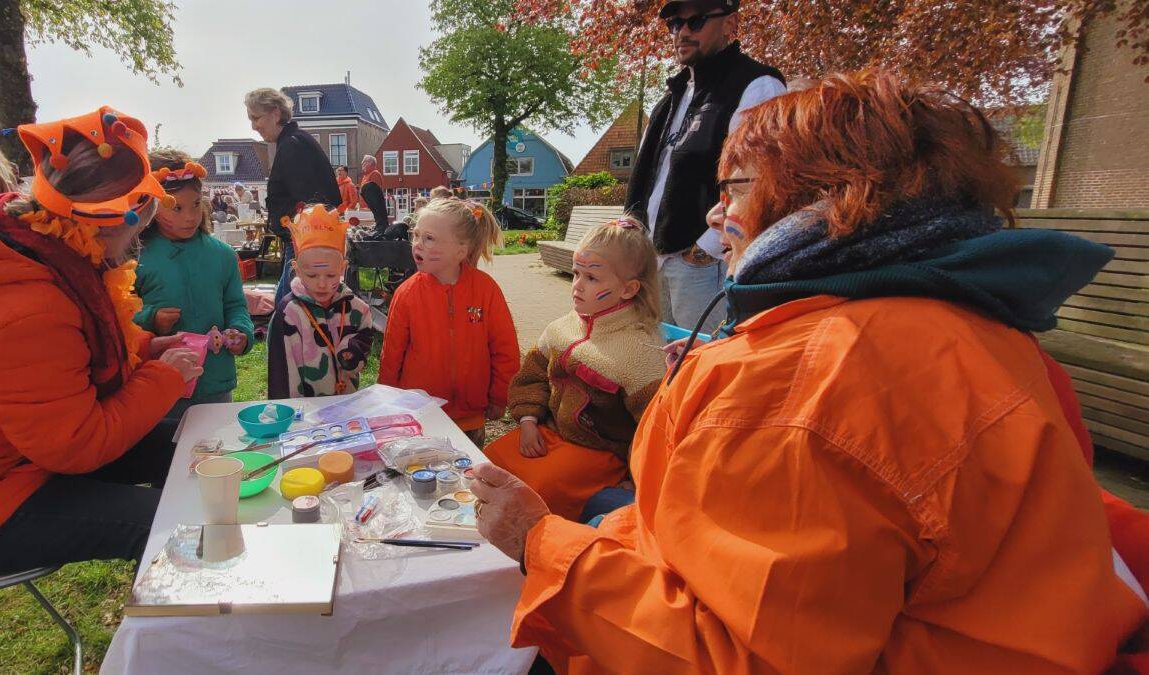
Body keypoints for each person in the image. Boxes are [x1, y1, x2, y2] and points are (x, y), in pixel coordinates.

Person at [471, 72, 1149, 672]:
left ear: (824, 196)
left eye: (733, 188)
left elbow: (734, 653)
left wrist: (541, 541)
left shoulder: (805, 383)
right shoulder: (990, 329)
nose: (714, 215)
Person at [0, 107, 203, 581]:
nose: (134, 245)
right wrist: (164, 376)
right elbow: (79, 445)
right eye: (136, 231)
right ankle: (192, 632)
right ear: (106, 225)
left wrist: (146, 351)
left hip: (14, 460)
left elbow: (68, 373)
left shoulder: (36, 251)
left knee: (190, 446)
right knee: (169, 521)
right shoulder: (31, 309)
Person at [482, 218, 664, 520]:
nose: (577, 286)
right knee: (490, 463)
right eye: (576, 273)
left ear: (629, 289)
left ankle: (532, 554)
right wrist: (528, 420)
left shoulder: (640, 354)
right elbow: (532, 375)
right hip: (549, 434)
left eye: (592, 278)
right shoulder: (563, 327)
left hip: (600, 453)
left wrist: (637, 480)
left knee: (534, 492)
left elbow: (654, 430)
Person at [623, 0, 785, 330]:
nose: (681, 31)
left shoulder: (756, 85)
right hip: (656, 260)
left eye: (695, 22)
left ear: (730, 23)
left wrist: (703, 252)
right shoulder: (673, 97)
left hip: (704, 266)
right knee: (665, 366)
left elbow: (761, 181)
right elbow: (653, 177)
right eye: (673, 24)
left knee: (706, 364)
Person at [379, 198, 519, 446]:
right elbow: (392, 353)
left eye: (429, 238)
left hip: (470, 417)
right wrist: (387, 399)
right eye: (416, 235)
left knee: (465, 477)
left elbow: (504, 348)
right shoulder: (407, 293)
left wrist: (500, 397)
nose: (417, 245)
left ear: (460, 251)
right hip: (421, 415)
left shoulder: (486, 290)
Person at [133, 149, 254, 424]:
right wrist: (150, 317)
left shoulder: (222, 254)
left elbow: (235, 305)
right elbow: (120, 315)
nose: (189, 216)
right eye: (176, 207)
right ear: (151, 205)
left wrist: (242, 333)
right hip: (162, 383)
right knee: (167, 452)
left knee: (217, 451)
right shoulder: (136, 258)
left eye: (196, 204)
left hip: (215, 381)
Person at [267, 204, 378, 399]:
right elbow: (279, 371)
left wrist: (353, 351)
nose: (322, 284)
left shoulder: (357, 309)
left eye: (331, 275)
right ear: (297, 269)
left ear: (343, 268)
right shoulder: (289, 314)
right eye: (311, 275)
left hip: (345, 405)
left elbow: (365, 337)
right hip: (302, 411)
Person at [246, 88, 340, 306]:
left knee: (288, 309)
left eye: (256, 117)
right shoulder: (295, 141)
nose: (254, 126)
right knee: (290, 307)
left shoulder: (292, 146)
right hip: (304, 240)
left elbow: (309, 205)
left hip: (303, 241)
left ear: (275, 113)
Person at [357, 155, 390, 239]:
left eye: (364, 161)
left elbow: (377, 198)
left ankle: (381, 227)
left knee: (378, 212)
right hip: (366, 207)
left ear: (371, 163)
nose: (362, 164)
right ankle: (378, 226)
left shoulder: (374, 174)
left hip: (370, 207)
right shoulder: (366, 176)